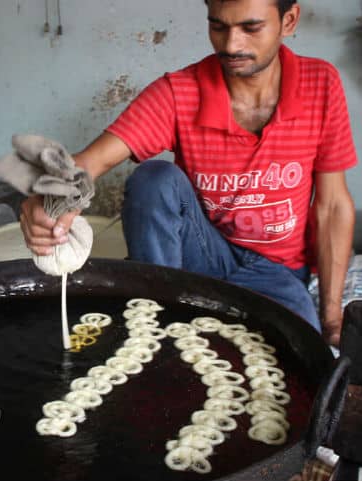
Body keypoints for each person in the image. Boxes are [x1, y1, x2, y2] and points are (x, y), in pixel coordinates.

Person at [20, 0, 356, 346]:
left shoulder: (321, 84)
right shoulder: (180, 92)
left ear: (289, 20)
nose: (231, 45)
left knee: (301, 355)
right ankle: (158, 312)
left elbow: (332, 206)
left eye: (250, 28)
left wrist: (332, 317)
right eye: (218, 26)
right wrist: (49, 198)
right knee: (155, 179)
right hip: (202, 256)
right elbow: (93, 161)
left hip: (277, 272)